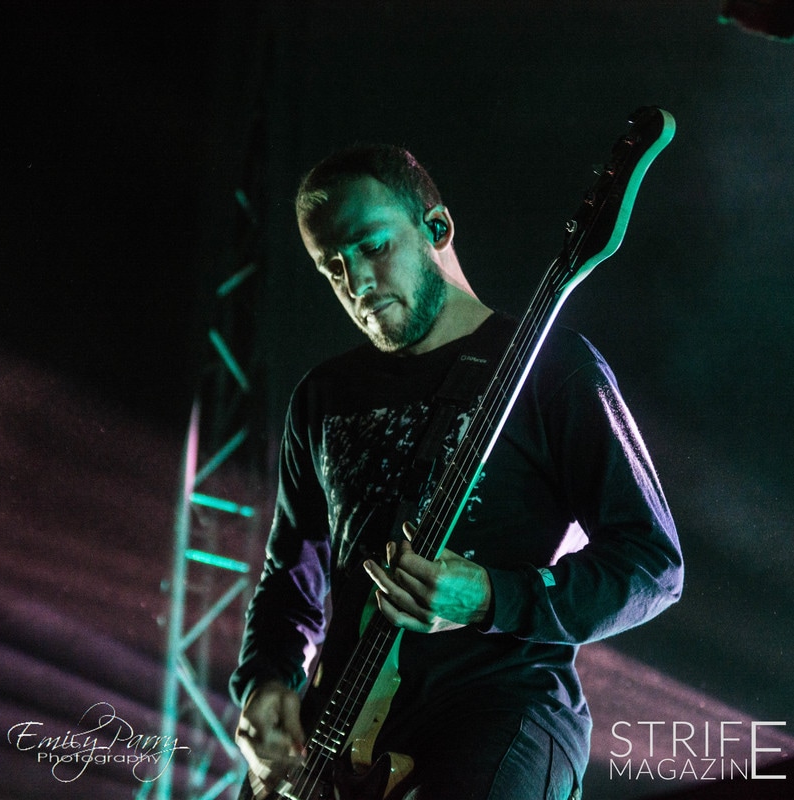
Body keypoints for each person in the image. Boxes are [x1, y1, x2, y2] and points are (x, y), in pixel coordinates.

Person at [230, 144, 683, 800]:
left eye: (373, 247)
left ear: (436, 227)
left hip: (499, 713)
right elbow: (291, 575)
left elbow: (650, 566)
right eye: (333, 266)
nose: (357, 283)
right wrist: (266, 680)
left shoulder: (553, 368)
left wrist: (491, 597)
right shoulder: (322, 397)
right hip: (337, 731)